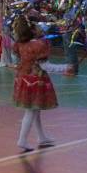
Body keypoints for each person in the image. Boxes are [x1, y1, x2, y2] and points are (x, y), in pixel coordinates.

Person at [12, 17, 58, 152]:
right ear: (32, 30)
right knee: (31, 111)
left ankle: (41, 136)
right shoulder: (38, 45)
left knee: (35, 109)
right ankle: (22, 139)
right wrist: (65, 67)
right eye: (37, 26)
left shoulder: (21, 44)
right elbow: (46, 66)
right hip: (35, 81)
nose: (40, 28)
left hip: (24, 79)